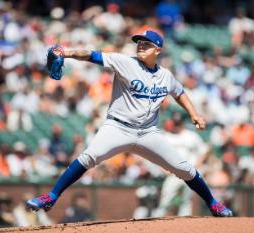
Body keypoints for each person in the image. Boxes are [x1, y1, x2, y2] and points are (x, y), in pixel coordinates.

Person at [26, 30, 232, 217]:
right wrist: (67, 53)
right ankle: (51, 196)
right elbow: (91, 55)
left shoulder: (165, 76)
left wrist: (194, 114)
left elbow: (179, 93)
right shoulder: (125, 62)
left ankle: (213, 204)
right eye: (139, 42)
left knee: (185, 169)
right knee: (88, 157)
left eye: (147, 43)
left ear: (158, 50)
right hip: (117, 127)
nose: (141, 45)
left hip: (148, 133)